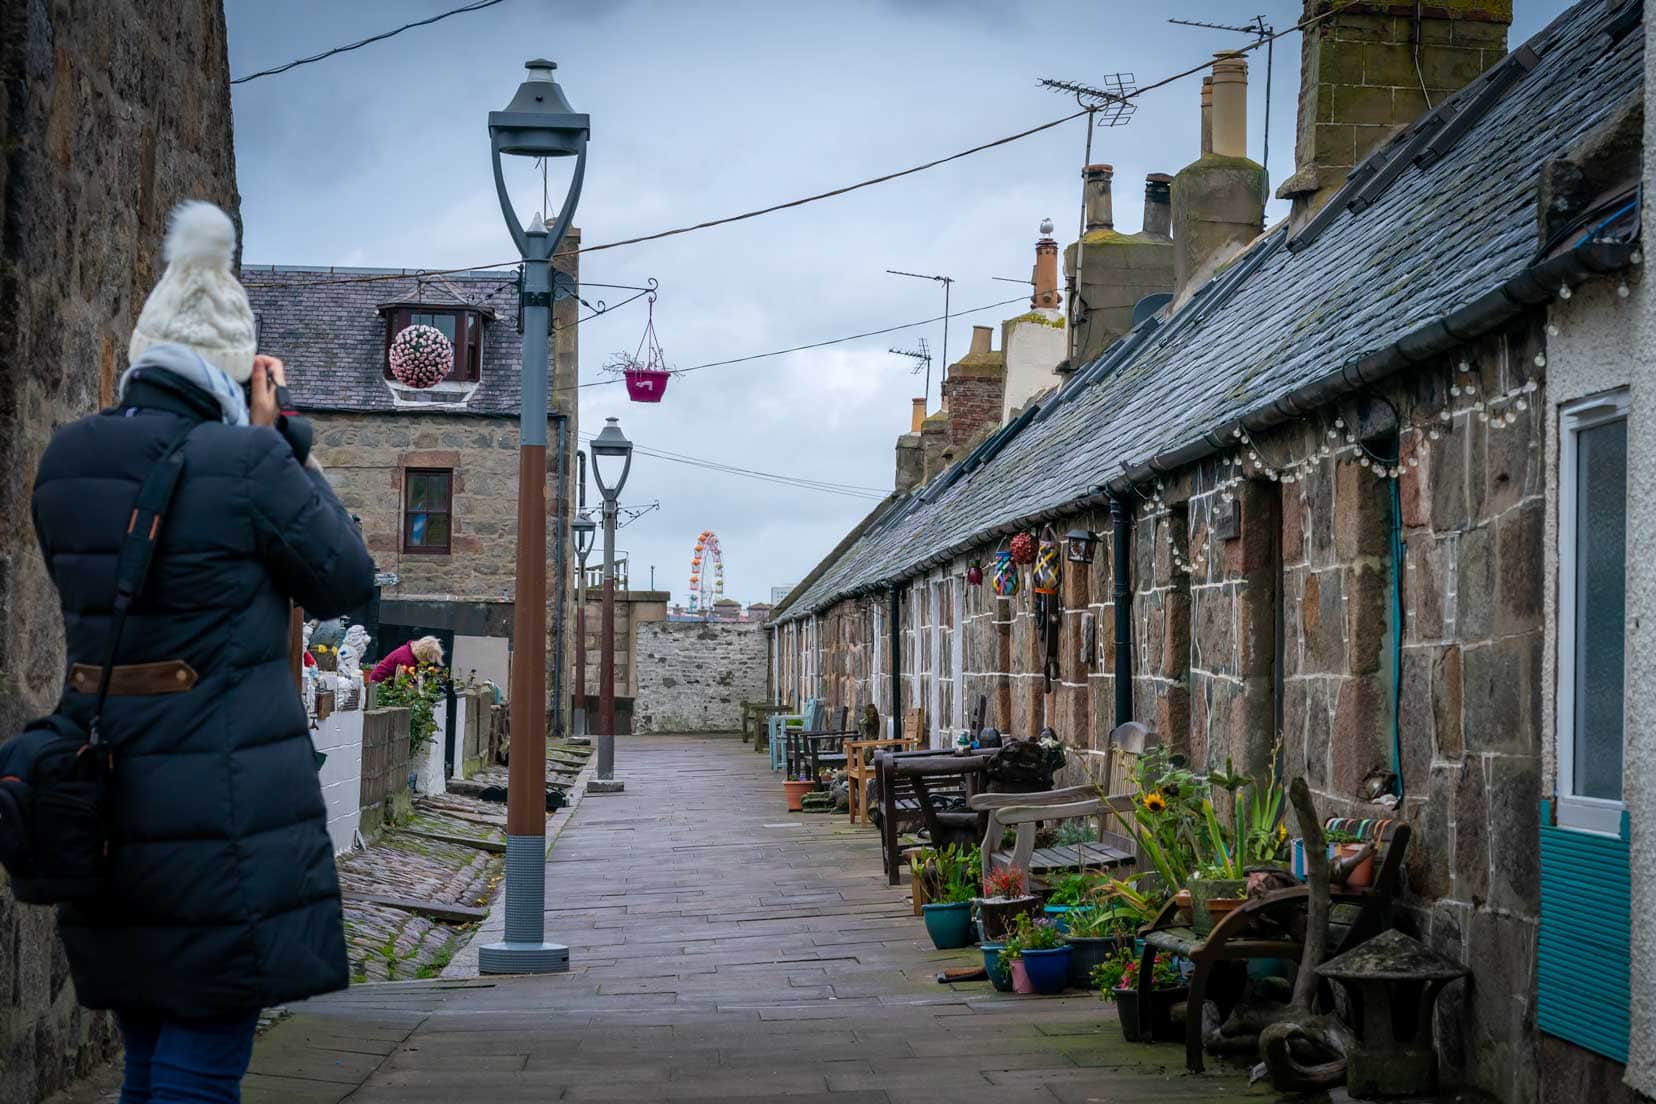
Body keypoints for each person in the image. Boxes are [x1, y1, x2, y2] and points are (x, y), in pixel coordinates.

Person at [29, 201, 375, 1103]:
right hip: (222, 804)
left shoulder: (66, 461)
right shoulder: (247, 464)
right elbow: (347, 584)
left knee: (148, 1035)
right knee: (205, 1041)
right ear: (236, 367)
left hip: (106, 801)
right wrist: (278, 443)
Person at [368, 635, 444, 684]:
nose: (427, 662)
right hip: (378, 685)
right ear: (423, 654)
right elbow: (406, 685)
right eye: (427, 659)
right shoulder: (407, 660)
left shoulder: (409, 650)